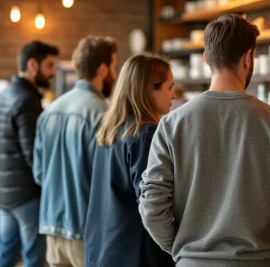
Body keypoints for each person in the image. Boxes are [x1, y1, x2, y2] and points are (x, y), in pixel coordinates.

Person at [139, 14, 270, 267]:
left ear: (206, 59)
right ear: (248, 58)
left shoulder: (171, 124)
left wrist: (185, 250)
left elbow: (152, 206)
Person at [33, 35, 117, 267]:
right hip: (85, 229)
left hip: (51, 226)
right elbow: (105, 182)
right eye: (113, 66)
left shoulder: (48, 112)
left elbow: (39, 174)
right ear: (102, 69)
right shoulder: (102, 114)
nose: (115, 73)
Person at [84, 53, 175, 267]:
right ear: (149, 89)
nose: (173, 95)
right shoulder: (144, 133)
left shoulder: (110, 130)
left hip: (103, 248)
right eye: (169, 87)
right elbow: (152, 203)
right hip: (135, 253)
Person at [0, 41, 59, 267]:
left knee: (6, 255)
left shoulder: (7, 94)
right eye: (49, 66)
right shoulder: (27, 99)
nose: (53, 73)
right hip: (26, 196)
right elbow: (34, 156)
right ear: (32, 65)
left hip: (6, 193)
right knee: (34, 259)